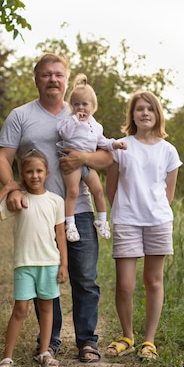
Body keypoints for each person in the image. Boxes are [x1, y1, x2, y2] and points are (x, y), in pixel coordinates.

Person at [0, 53, 112, 363]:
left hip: (80, 210)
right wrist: (13, 189)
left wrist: (82, 159)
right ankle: (51, 341)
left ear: (66, 79)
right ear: (36, 79)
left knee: (85, 277)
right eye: (46, 74)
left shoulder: (83, 115)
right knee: (48, 278)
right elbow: (3, 158)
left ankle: (87, 341)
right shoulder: (20, 116)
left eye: (58, 74)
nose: (53, 79)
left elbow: (106, 158)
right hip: (40, 212)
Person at [104, 90, 182, 360]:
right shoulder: (121, 147)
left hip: (158, 221)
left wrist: (155, 211)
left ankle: (149, 341)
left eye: (150, 108)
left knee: (153, 281)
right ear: (132, 115)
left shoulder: (169, 151)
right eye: (139, 109)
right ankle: (127, 336)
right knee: (125, 285)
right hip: (127, 220)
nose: (145, 113)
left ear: (157, 114)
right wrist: (125, 210)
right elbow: (110, 187)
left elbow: (168, 194)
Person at [0, 149, 68, 367]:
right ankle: (7, 357)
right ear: (22, 174)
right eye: (29, 172)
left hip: (49, 262)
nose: (35, 176)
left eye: (39, 171)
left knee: (47, 308)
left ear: (47, 173)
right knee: (20, 309)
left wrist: (64, 265)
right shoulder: (18, 201)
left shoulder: (56, 201)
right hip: (24, 263)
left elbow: (60, 235)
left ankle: (44, 351)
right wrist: (8, 188)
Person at [57, 73, 127, 242]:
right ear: (71, 106)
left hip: (87, 165)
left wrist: (115, 144)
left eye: (85, 104)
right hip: (71, 163)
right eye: (76, 104)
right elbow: (64, 133)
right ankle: (70, 225)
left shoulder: (95, 125)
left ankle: (102, 221)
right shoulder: (69, 120)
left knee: (98, 191)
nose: (81, 108)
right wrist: (75, 119)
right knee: (73, 192)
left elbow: (102, 142)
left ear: (93, 106)